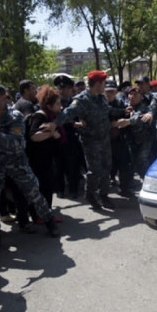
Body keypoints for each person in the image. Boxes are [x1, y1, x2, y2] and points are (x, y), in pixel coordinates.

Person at [0, 83, 60, 257]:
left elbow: (17, 143)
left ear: (4, 97)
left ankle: (49, 221)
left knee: (33, 193)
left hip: (16, 161)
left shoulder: (14, 115)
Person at [52, 70, 129, 211]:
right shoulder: (82, 99)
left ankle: (104, 195)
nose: (105, 86)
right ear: (97, 84)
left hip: (104, 139)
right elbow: (68, 112)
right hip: (91, 141)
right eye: (104, 83)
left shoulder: (101, 98)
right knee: (95, 170)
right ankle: (90, 194)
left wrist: (123, 111)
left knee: (107, 167)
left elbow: (108, 110)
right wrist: (54, 124)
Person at [26, 84, 62, 211]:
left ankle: (47, 211)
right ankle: (40, 214)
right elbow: (34, 136)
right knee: (41, 187)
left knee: (48, 187)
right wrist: (51, 133)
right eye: (57, 104)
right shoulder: (40, 116)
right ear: (49, 105)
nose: (60, 106)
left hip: (47, 158)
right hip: (38, 159)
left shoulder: (53, 117)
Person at [53, 74, 83, 199]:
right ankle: (60, 189)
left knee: (73, 165)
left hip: (72, 137)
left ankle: (73, 190)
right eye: (59, 88)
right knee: (58, 165)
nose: (61, 90)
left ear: (70, 89)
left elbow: (81, 120)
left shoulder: (76, 103)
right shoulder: (54, 103)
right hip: (58, 138)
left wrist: (74, 123)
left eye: (64, 88)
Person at [104, 80, 133, 197]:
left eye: (112, 91)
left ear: (116, 92)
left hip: (119, 139)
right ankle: (103, 192)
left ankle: (124, 189)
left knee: (124, 164)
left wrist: (124, 121)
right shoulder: (100, 104)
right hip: (104, 140)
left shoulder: (120, 103)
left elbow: (128, 115)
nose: (109, 94)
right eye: (107, 91)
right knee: (105, 167)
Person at [125, 85, 154, 179]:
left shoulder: (145, 108)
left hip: (144, 140)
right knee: (131, 161)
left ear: (141, 97)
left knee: (142, 160)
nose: (132, 96)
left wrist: (124, 122)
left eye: (135, 94)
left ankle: (147, 179)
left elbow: (137, 118)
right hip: (131, 140)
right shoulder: (125, 107)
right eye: (130, 94)